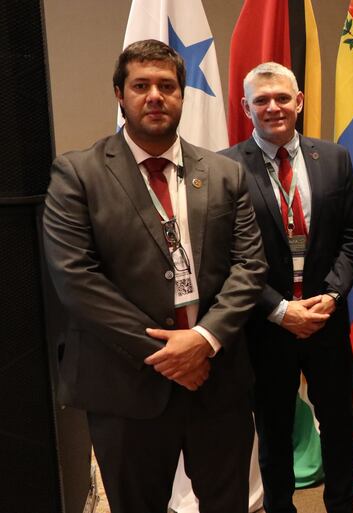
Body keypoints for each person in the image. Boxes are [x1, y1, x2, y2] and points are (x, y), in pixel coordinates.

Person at [42, 39, 267, 513]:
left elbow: (250, 266)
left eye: (167, 86)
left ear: (183, 95)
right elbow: (76, 279)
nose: (155, 96)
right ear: (120, 95)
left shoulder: (225, 174)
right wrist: (169, 353)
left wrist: (204, 339)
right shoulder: (77, 174)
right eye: (141, 85)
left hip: (217, 379)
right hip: (126, 384)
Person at [221, 62, 353, 513]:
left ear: (298, 101)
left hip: (326, 317)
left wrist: (333, 296)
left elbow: (352, 236)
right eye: (261, 100)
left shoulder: (334, 157)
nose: (273, 107)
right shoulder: (224, 167)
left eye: (282, 98)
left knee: (339, 425)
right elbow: (226, 254)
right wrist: (279, 309)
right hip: (266, 326)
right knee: (274, 427)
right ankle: (279, 506)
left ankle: (342, 504)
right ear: (246, 107)